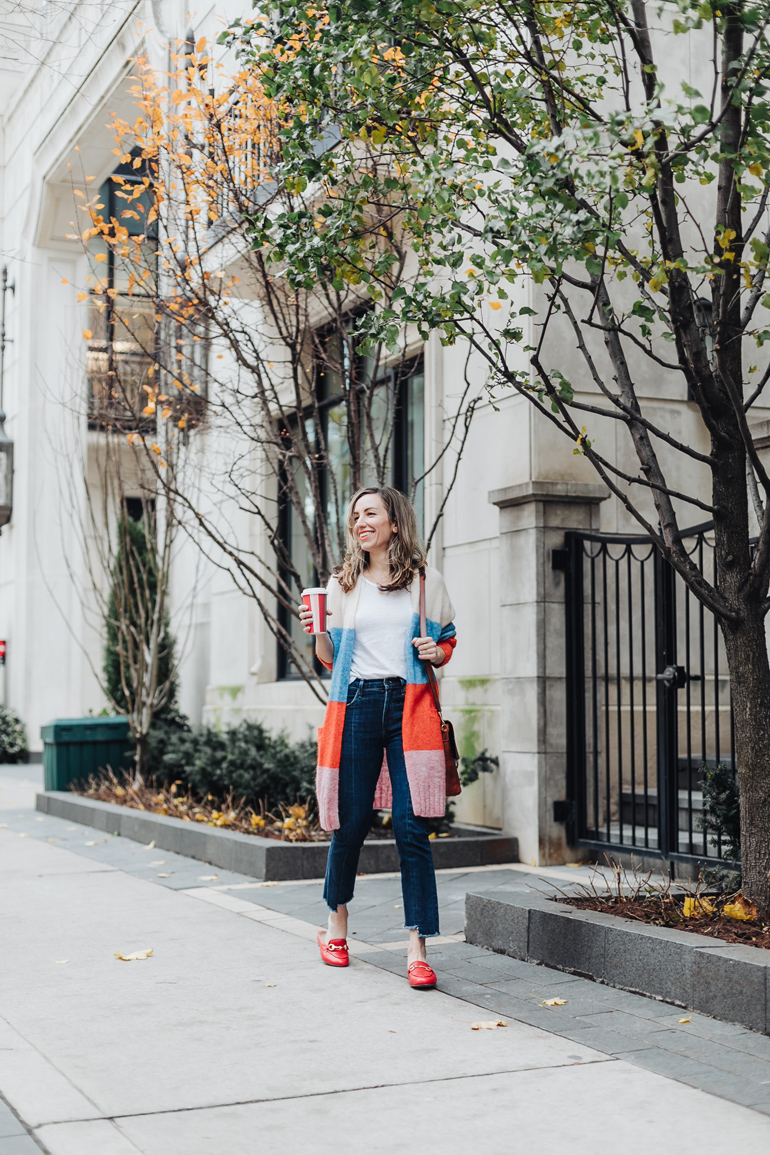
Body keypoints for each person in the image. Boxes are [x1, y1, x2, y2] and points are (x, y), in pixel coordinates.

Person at [298, 485, 457, 989]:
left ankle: (417, 946)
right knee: (350, 821)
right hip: (358, 704)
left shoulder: (424, 582)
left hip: (409, 707)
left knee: (412, 829)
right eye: (354, 516)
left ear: (394, 521)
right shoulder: (342, 584)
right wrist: (317, 630)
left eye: (370, 513)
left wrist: (436, 652)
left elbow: (447, 640)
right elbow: (329, 657)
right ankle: (336, 925)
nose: (360, 521)